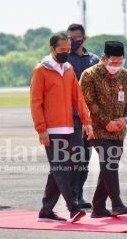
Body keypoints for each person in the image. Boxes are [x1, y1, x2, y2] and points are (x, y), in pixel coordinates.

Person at [30, 32, 93, 223]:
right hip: (51, 130)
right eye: (62, 50)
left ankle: (46, 210)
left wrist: (87, 121)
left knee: (70, 167)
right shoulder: (41, 70)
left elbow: (78, 97)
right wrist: (41, 128)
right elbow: (35, 102)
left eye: (68, 49)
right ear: (52, 49)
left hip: (70, 128)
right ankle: (72, 207)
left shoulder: (69, 68)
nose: (66, 52)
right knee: (60, 168)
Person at [80, 41, 127, 218]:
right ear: (104, 58)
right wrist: (106, 122)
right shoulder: (90, 75)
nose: (117, 66)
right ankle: (117, 203)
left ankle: (98, 207)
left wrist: (126, 118)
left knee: (109, 166)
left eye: (120, 62)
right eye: (113, 62)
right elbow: (89, 103)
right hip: (97, 129)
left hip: (119, 129)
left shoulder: (125, 75)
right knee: (110, 162)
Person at [67, 23, 99, 209]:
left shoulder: (93, 59)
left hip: (89, 116)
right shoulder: (65, 59)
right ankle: (72, 196)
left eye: (76, 38)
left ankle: (79, 194)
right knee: (74, 158)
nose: (73, 41)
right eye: (70, 38)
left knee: (85, 158)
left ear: (84, 38)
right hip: (71, 116)